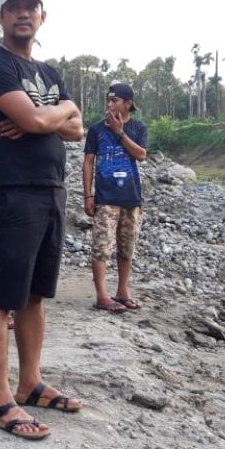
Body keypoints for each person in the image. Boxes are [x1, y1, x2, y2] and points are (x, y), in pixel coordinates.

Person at [0, 0, 84, 441]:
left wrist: (58, 112)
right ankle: (0, 402)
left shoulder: (49, 72)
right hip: (12, 193)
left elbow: (76, 131)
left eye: (31, 8)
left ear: (42, 17)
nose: (23, 15)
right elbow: (41, 121)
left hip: (51, 190)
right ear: (1, 18)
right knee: (2, 297)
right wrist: (59, 112)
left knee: (36, 295)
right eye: (14, 8)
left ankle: (31, 382)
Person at [84, 83, 148, 313]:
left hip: (131, 198)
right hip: (105, 198)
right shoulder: (96, 130)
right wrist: (88, 194)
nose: (110, 105)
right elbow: (88, 162)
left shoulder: (138, 128)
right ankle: (102, 296)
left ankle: (122, 291)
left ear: (128, 104)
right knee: (101, 246)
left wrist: (119, 132)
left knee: (126, 247)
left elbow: (141, 155)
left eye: (115, 100)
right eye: (108, 100)